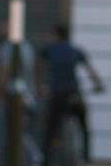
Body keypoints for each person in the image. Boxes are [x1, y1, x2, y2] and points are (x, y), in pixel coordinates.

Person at [39, 24, 105, 165]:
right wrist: (99, 85)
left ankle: (45, 160)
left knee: (50, 130)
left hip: (57, 94)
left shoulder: (50, 49)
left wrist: (39, 86)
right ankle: (86, 158)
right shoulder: (75, 51)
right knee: (84, 127)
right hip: (74, 94)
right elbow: (91, 71)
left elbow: (38, 66)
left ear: (55, 35)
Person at [0, 22, 42, 165]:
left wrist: (0, 95)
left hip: (13, 98)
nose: (0, 29)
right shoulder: (27, 46)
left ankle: (33, 157)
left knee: (12, 135)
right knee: (21, 134)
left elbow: (5, 71)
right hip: (30, 98)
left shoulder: (9, 47)